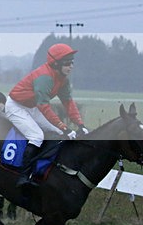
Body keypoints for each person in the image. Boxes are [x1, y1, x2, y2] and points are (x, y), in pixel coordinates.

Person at [5, 43, 89, 189]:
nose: (71, 67)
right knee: (37, 136)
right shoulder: (45, 78)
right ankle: (23, 176)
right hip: (16, 106)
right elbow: (44, 106)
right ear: (56, 64)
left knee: (57, 132)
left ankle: (45, 169)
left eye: (72, 63)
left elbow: (68, 103)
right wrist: (65, 127)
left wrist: (80, 124)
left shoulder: (63, 79)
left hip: (32, 107)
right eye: (68, 63)